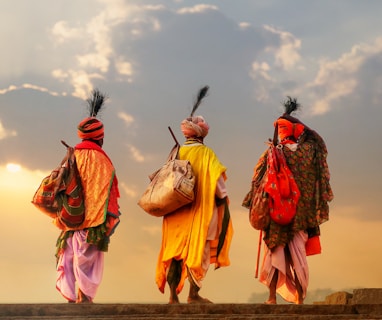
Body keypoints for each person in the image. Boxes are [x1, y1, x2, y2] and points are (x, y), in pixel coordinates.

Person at [155, 88, 234, 304]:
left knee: (174, 253)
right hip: (201, 212)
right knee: (199, 253)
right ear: (201, 133)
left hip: (175, 214)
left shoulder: (176, 153)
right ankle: (193, 295)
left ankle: (173, 297)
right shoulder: (207, 154)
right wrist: (223, 205)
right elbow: (220, 190)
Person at [253, 97, 333, 304]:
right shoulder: (307, 153)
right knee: (298, 258)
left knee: (274, 256)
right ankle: (299, 299)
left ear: (280, 132)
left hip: (276, 214)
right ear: (295, 130)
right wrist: (299, 125)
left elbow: (256, 180)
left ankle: (271, 298)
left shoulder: (270, 154)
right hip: (301, 215)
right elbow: (319, 143)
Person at [55, 90, 121, 303]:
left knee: (71, 255)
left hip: (70, 217)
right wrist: (110, 216)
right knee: (88, 258)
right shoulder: (103, 160)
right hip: (93, 220)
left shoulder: (71, 156)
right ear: (100, 137)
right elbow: (109, 191)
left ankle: (72, 297)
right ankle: (85, 297)